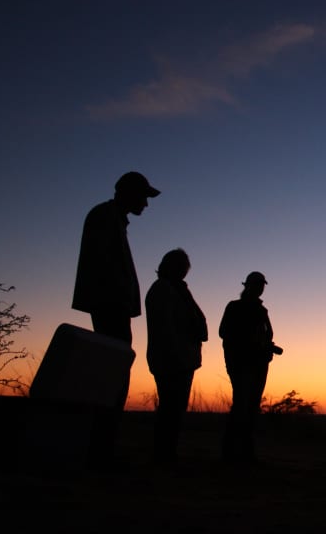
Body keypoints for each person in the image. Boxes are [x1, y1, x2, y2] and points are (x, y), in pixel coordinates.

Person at [72, 170, 160, 468]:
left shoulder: (112, 219)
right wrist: (116, 298)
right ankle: (100, 451)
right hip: (110, 307)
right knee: (112, 374)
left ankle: (103, 447)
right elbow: (103, 267)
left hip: (114, 306)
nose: (146, 205)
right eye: (143, 198)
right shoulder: (104, 217)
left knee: (115, 373)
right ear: (128, 193)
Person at [144, 248, 208, 466]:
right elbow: (166, 327)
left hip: (182, 358)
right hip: (171, 358)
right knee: (170, 408)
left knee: (175, 408)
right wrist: (177, 354)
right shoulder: (162, 289)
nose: (183, 271)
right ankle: (163, 455)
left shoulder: (178, 290)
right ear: (168, 266)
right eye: (179, 266)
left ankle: (167, 452)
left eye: (184, 267)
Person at [219, 271, 281, 464]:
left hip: (259, 364)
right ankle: (231, 452)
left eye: (262, 285)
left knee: (251, 406)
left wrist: (267, 347)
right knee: (241, 405)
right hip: (242, 363)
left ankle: (244, 452)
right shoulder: (235, 307)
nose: (260, 288)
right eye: (257, 284)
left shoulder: (262, 311)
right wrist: (253, 344)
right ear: (248, 286)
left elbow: (266, 335)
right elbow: (225, 333)